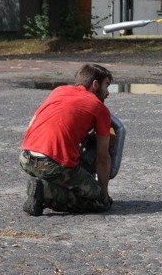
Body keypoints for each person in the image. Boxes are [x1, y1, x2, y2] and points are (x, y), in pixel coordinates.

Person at [19, 63, 115, 216]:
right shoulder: (99, 108)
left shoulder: (59, 90)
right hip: (50, 164)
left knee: (66, 173)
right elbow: (103, 158)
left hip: (26, 157)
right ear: (95, 84)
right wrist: (103, 193)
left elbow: (34, 122)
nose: (108, 93)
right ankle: (45, 191)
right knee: (97, 201)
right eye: (107, 85)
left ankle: (43, 187)